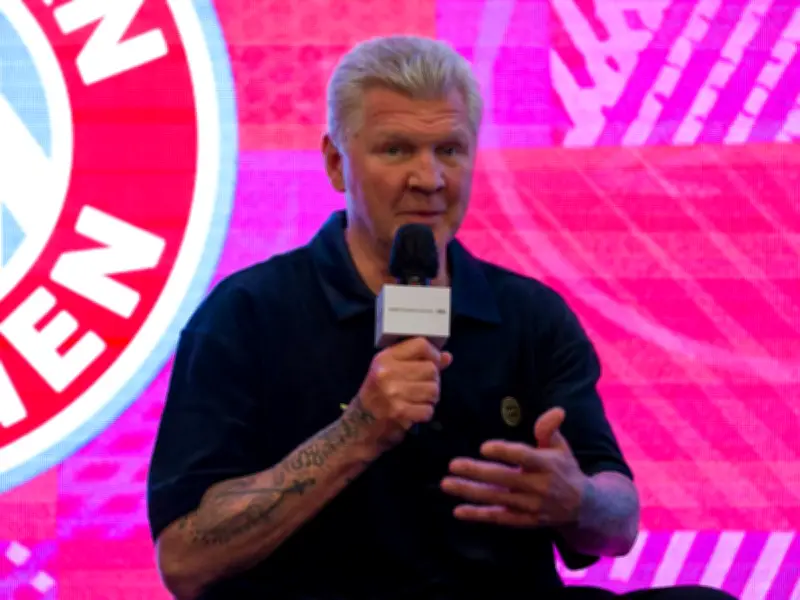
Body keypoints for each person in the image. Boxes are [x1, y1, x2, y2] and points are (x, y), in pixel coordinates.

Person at [146, 35, 737, 600]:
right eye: (396, 149)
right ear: (335, 163)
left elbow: (619, 521)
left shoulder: (530, 315)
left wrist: (577, 499)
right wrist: (358, 431)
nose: (428, 180)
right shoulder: (247, 313)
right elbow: (185, 561)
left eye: (449, 150)